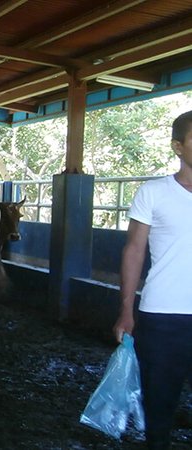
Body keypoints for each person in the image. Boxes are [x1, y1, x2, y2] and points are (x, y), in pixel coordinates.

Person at [113, 110, 192, 450]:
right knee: (159, 406)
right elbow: (134, 251)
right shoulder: (154, 192)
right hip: (163, 315)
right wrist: (127, 311)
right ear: (178, 146)